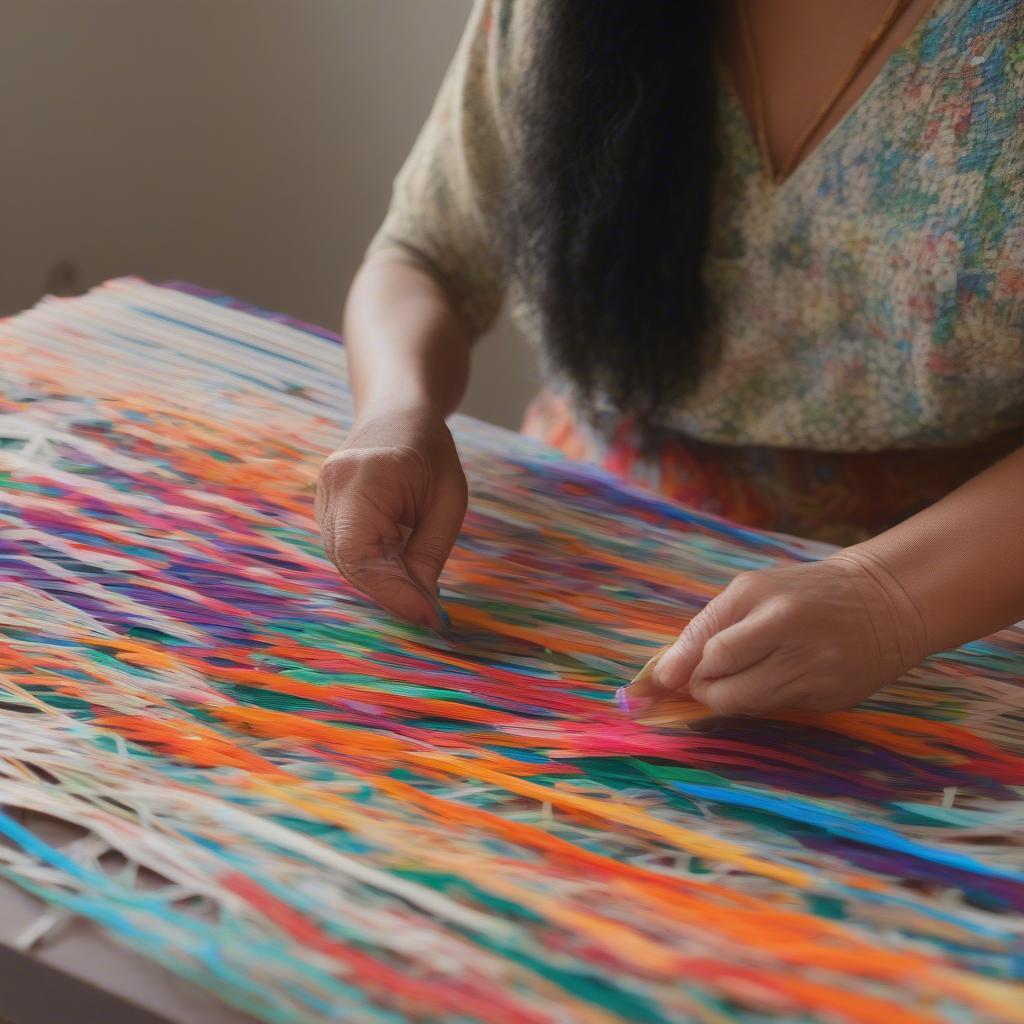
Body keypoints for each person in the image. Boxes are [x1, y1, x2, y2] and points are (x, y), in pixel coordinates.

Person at [316, 0, 1024, 719]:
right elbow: (427, 254)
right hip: (571, 553)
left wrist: (888, 599)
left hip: (953, 600)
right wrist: (395, 409)